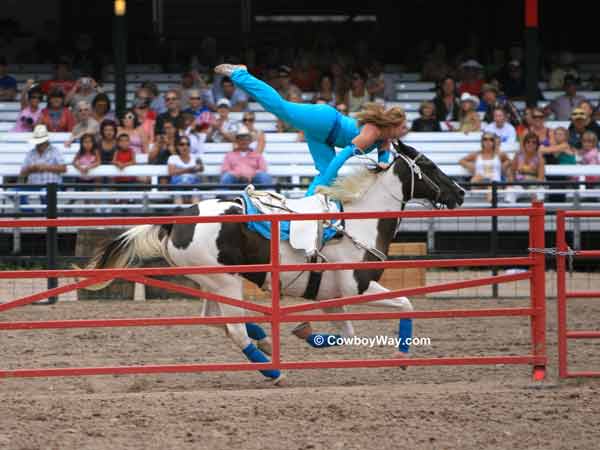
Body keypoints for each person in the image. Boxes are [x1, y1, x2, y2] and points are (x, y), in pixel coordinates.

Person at [214, 64, 405, 195]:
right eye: (402, 127)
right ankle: (240, 74)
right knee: (280, 107)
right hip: (325, 121)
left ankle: (307, 207)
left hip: (324, 138)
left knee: (325, 174)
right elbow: (341, 157)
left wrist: (383, 162)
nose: (404, 131)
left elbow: (384, 157)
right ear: (393, 126)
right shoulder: (372, 133)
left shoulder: (385, 139)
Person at [459, 131, 512, 200]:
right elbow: (461, 161)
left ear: (494, 142)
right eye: (485, 139)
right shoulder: (477, 154)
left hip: (494, 183)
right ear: (482, 141)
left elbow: (510, 161)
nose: (488, 141)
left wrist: (503, 166)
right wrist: (470, 166)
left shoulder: (500, 154)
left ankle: (490, 205)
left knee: (491, 185)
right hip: (480, 182)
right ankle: (490, 204)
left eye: (491, 139)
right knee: (477, 178)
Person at [168, 135, 204, 204]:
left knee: (195, 194)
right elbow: (171, 172)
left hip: (193, 185)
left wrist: (179, 170)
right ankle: (180, 213)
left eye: (188, 144)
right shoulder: (172, 158)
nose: (185, 147)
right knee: (177, 194)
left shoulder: (195, 157)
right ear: (177, 146)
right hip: (177, 186)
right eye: (182, 144)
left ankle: (194, 214)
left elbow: (201, 168)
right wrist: (190, 169)